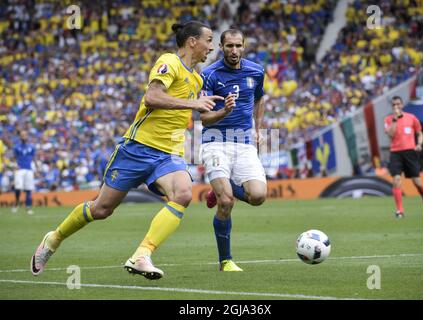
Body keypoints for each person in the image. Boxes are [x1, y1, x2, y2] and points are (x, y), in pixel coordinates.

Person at [31, 21, 223, 280]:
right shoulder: (169, 62)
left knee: (183, 193)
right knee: (101, 210)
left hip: (167, 155)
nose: (211, 47)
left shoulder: (197, 77)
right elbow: (152, 98)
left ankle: (142, 255)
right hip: (137, 149)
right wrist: (193, 102)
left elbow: (196, 110)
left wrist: (223, 111)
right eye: (208, 40)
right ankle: (53, 239)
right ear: (192, 41)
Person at [200, 29, 267, 271]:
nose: (234, 51)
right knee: (226, 201)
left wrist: (258, 129)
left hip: (244, 142)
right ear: (221, 46)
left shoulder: (257, 71)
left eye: (238, 46)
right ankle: (225, 260)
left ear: (244, 46)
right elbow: (205, 119)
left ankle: (219, 185)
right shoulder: (208, 74)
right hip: (215, 140)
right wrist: (223, 111)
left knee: (258, 196)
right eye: (229, 46)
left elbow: (259, 99)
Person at [384, 96, 423, 218]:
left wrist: (419, 144)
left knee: (417, 182)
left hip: (410, 152)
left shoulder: (411, 118)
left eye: (398, 104)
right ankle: (400, 210)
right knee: (396, 180)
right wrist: (395, 120)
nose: (396, 107)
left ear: (402, 105)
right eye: (394, 105)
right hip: (395, 153)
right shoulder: (388, 120)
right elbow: (390, 135)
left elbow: (420, 133)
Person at [12, 131, 36, 215]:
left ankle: (28, 207)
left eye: (25, 135)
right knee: (18, 187)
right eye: (22, 135)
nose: (24, 137)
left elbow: (34, 158)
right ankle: (16, 202)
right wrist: (14, 165)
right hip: (20, 169)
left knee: (29, 189)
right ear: (20, 137)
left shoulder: (32, 147)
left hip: (29, 169)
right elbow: (14, 158)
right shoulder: (16, 147)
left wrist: (36, 169)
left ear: (27, 136)